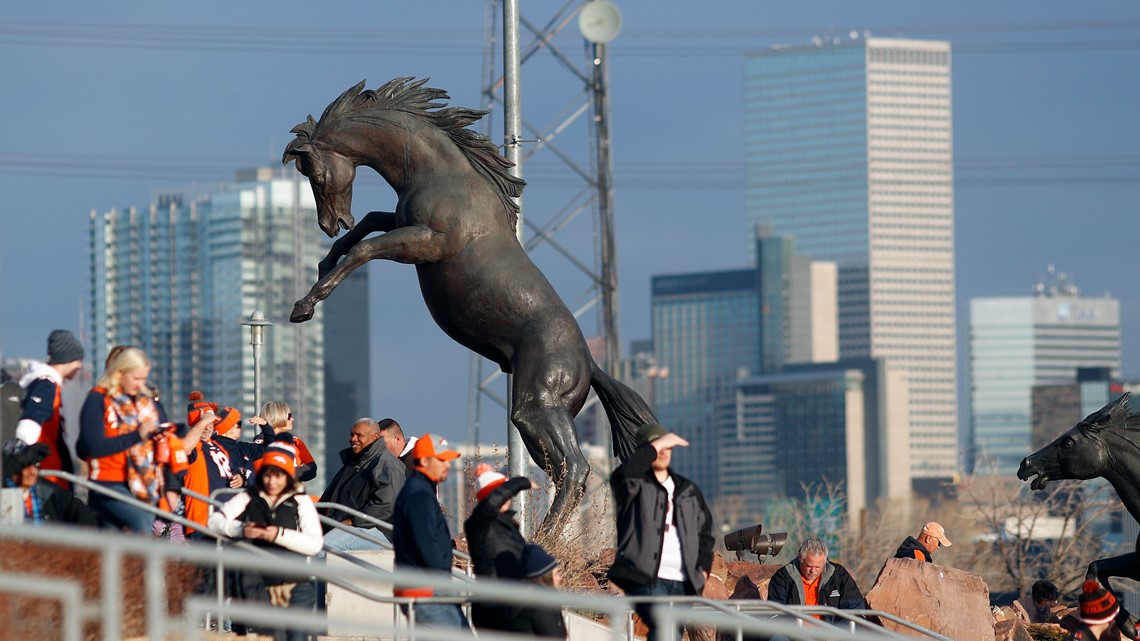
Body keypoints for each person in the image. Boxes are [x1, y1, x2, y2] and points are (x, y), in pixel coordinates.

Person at [608, 423, 714, 641]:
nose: (664, 452)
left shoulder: (688, 490)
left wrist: (702, 571)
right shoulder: (634, 485)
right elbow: (625, 473)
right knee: (664, 628)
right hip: (646, 579)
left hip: (684, 581)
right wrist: (656, 445)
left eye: (668, 448)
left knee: (670, 634)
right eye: (658, 448)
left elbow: (706, 534)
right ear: (646, 451)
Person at [209, 448, 323, 641]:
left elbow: (314, 543)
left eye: (278, 476)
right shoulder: (250, 495)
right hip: (260, 584)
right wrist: (241, 529)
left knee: (297, 637)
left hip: (296, 584)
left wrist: (278, 535)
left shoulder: (300, 500)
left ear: (288, 476)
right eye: (268, 475)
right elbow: (214, 521)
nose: (272, 482)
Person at [78, 347, 171, 533]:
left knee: (111, 543)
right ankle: (143, 563)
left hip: (139, 482)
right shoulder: (98, 399)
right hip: (107, 483)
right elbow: (92, 447)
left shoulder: (143, 402)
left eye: (144, 378)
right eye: (136, 378)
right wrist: (137, 435)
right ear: (120, 373)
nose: (140, 384)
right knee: (143, 521)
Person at [391, 433, 469, 631]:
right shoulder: (419, 495)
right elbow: (426, 545)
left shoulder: (420, 489)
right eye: (442, 460)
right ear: (425, 461)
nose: (447, 465)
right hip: (426, 591)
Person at [463, 463, 536, 632]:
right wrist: (521, 482)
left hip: (511, 603)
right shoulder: (480, 522)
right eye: (503, 491)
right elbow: (492, 501)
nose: (509, 497)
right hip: (494, 606)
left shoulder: (505, 524)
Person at [319, 417, 406, 551]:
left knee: (322, 550)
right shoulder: (353, 464)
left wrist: (354, 521)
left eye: (359, 435)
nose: (353, 439)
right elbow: (331, 496)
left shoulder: (386, 464)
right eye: (352, 434)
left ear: (375, 437)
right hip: (342, 526)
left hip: (376, 530)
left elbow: (386, 504)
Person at [15, 329, 85, 485]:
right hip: (47, 474)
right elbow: (32, 419)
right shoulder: (46, 385)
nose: (80, 366)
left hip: (49, 471)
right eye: (78, 360)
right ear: (69, 359)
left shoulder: (46, 384)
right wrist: (21, 456)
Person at [2, 437, 98, 526]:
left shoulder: (48, 490)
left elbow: (79, 511)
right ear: (11, 469)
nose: (32, 471)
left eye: (35, 464)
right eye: (24, 466)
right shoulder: (3, 494)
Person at [767, 538, 866, 622]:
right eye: (809, 566)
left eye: (818, 567)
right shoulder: (782, 577)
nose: (813, 571)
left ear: (825, 561)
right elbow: (776, 614)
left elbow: (856, 609)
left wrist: (837, 634)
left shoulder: (839, 575)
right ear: (800, 558)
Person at [501, 543, 568, 639]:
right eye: (557, 573)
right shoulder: (538, 606)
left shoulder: (547, 601)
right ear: (546, 577)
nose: (560, 578)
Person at [251, 402, 317, 482]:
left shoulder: (296, 441)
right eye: (289, 416)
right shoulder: (261, 441)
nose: (292, 419)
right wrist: (294, 470)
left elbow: (312, 469)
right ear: (277, 416)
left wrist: (285, 470)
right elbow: (261, 469)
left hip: (294, 490)